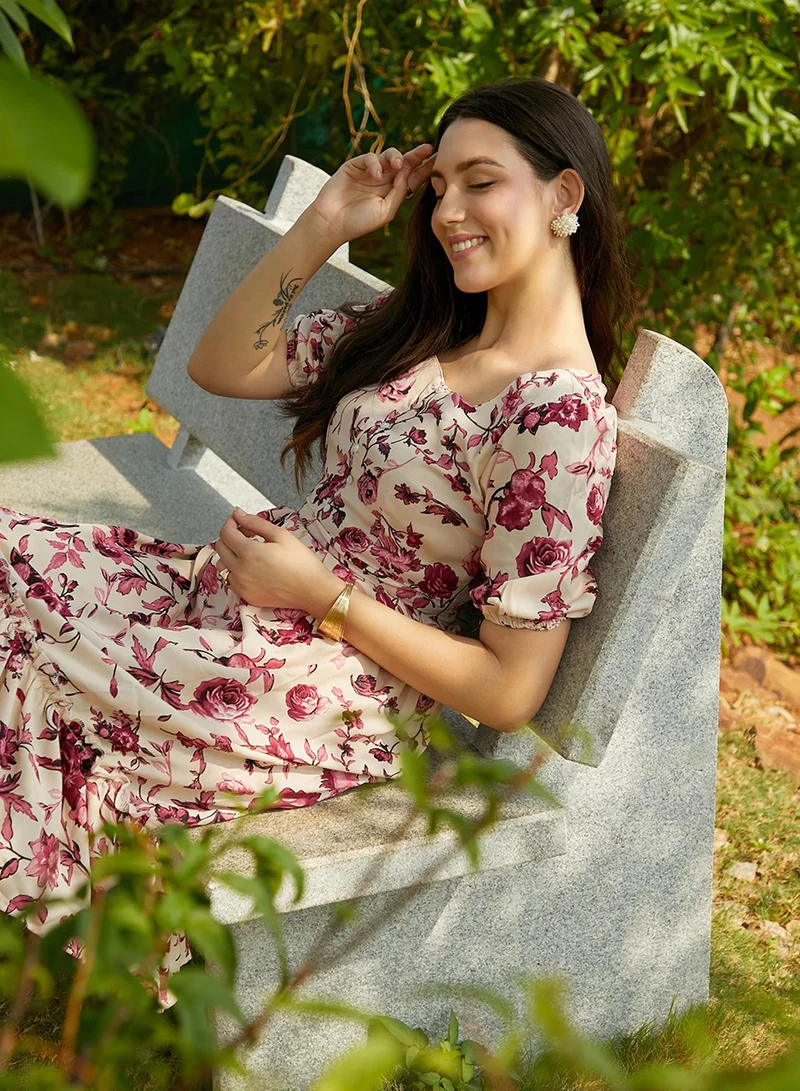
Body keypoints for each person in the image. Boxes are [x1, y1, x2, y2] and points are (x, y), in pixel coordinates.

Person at [0, 75, 631, 1009]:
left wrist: (321, 597)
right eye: (441, 185)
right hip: (222, 596)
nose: (449, 211)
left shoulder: (558, 419)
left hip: (319, 686)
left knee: (31, 652)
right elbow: (223, 364)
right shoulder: (425, 334)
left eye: (481, 182)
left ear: (564, 197)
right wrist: (326, 222)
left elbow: (509, 689)